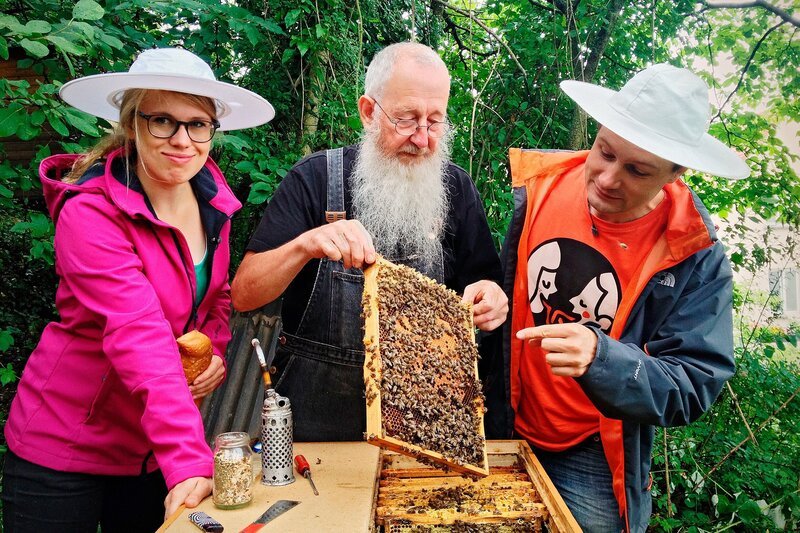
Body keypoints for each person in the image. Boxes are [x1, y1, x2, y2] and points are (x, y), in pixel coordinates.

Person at [1, 48, 274, 532]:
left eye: (198, 124)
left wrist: (212, 349)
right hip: (66, 446)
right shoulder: (89, 212)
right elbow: (138, 333)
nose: (183, 140)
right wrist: (189, 461)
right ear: (131, 122)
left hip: (149, 449)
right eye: (162, 120)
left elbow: (217, 296)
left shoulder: (213, 201)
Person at [488, 64, 750, 532]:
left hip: (592, 448)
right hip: (503, 418)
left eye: (636, 170)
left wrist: (601, 357)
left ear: (676, 172)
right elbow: (506, 288)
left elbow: (694, 381)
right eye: (604, 152)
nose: (608, 178)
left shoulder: (694, 253)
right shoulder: (541, 187)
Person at [231, 41, 508, 442]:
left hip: (422, 434)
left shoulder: (458, 190)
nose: (423, 138)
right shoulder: (314, 178)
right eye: (407, 119)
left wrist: (492, 299)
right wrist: (305, 245)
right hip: (318, 434)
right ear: (368, 112)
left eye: (435, 121)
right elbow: (244, 294)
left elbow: (489, 293)